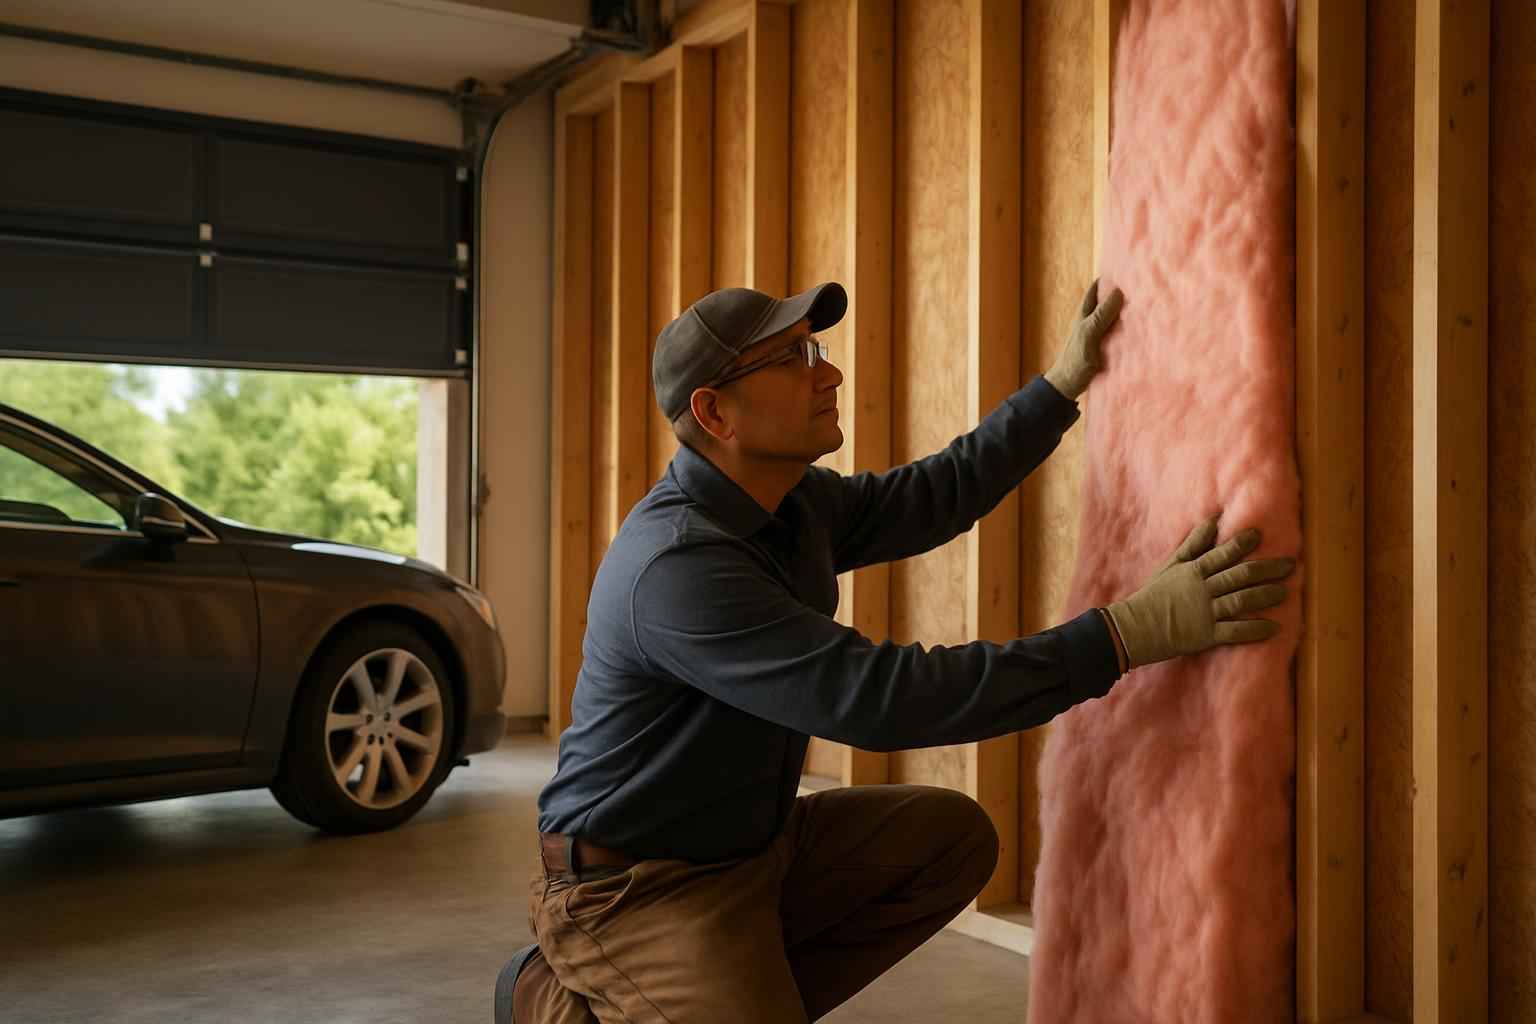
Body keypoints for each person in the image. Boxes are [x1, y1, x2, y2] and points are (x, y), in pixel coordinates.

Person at [494, 281, 1294, 1023]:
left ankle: (726, 988)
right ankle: (566, 999)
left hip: (755, 852)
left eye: (818, 349)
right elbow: (882, 700)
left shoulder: (788, 503)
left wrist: (1058, 387)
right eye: (795, 358)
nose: (829, 372)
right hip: (636, 888)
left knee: (949, 841)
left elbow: (932, 495)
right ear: (715, 412)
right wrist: (1124, 635)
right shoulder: (678, 568)